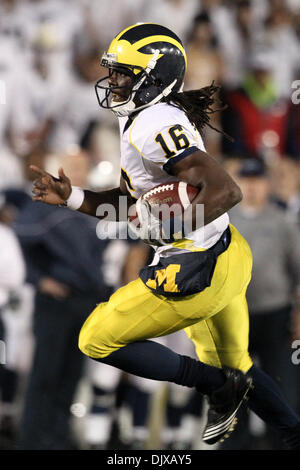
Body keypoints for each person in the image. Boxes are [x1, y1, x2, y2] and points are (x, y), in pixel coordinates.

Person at [30, 23, 300, 448]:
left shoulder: (152, 122)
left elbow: (226, 190)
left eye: (123, 73)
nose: (113, 81)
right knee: (240, 368)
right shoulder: (147, 118)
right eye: (114, 71)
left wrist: (174, 225)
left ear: (154, 79)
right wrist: (73, 196)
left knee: (95, 338)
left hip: (195, 267)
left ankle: (214, 385)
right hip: (225, 252)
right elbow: (130, 203)